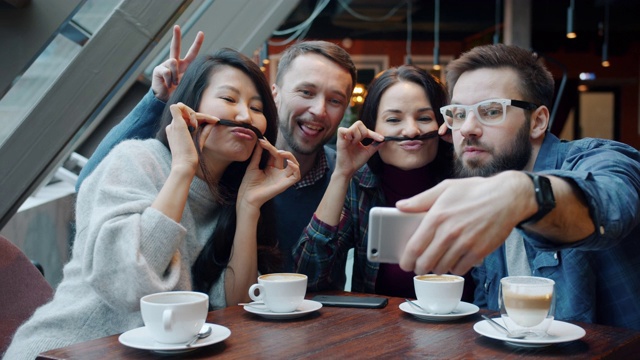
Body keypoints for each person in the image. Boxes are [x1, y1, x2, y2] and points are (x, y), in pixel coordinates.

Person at [4, 48, 300, 359]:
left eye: (257, 107)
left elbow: (234, 311)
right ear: (189, 106)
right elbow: (127, 285)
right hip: (64, 349)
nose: (245, 115)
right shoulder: (134, 160)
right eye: (229, 99)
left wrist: (248, 207)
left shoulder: (229, 197)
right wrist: (183, 168)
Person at [396, 43, 640, 329]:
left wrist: (523, 193)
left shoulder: (600, 157)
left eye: (490, 111)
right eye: (459, 114)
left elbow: (612, 202)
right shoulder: (484, 180)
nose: (467, 129)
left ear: (537, 121)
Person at [77, 26, 356, 272]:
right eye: (306, 92)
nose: (319, 110)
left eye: (335, 100)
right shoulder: (228, 166)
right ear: (275, 95)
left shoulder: (348, 177)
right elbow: (92, 184)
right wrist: (160, 101)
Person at [294, 65, 457, 298]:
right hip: (382, 329)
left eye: (423, 117)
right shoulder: (359, 185)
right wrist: (342, 174)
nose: (411, 131)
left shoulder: (467, 179)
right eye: (393, 119)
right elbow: (309, 278)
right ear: (372, 129)